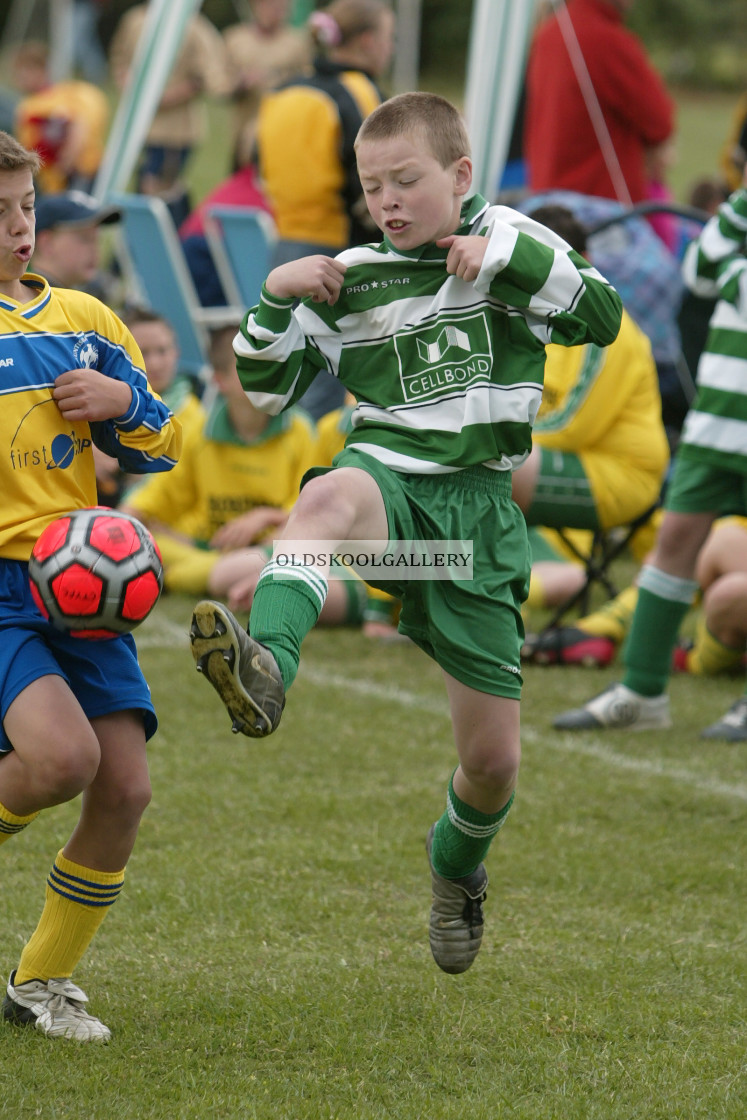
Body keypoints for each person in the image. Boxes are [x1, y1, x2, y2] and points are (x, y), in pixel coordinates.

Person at [188, 91, 623, 974]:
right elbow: (264, 393)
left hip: (474, 529)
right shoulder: (348, 276)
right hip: (388, 487)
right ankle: (266, 666)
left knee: (493, 764)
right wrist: (272, 299)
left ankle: (455, 870)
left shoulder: (508, 244)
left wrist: (500, 261)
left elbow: (601, 316)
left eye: (406, 180)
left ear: (461, 177)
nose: (385, 200)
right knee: (327, 500)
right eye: (371, 184)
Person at [0, 131, 181, 1042]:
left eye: (26, 207)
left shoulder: (83, 318)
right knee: (60, 763)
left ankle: (42, 983)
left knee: (125, 790)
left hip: (83, 581)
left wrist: (124, 407)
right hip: (0, 587)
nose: (19, 228)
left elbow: (165, 442)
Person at [553, 169, 747, 741]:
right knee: (675, 542)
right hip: (717, 418)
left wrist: (732, 272)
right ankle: (642, 692)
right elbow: (699, 267)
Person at [255, 0, 396, 418]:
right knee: (328, 373)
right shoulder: (359, 90)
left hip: (285, 242)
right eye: (390, 38)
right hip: (336, 249)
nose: (389, 48)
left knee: (292, 364)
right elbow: (374, 169)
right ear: (369, 42)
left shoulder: (283, 90)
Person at [524, 0, 675, 209]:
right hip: (598, 210)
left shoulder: (547, 35)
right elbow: (660, 122)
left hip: (545, 202)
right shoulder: (607, 39)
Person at [109, 5, 231, 226]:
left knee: (159, 192)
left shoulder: (193, 26)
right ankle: (143, 245)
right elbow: (120, 56)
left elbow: (211, 76)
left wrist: (171, 95)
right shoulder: (135, 19)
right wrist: (128, 82)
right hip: (139, 126)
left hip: (176, 130)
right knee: (144, 191)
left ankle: (171, 242)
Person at [11, 40, 110, 196]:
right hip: (50, 179)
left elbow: (77, 128)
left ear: (42, 71)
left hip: (76, 172)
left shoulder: (60, 98)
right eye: (19, 74)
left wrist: (66, 163)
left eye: (26, 72)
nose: (21, 79)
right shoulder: (27, 106)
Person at [223, 0, 311, 170]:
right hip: (241, 133)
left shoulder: (297, 44)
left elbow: (306, 84)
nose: (276, 11)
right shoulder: (235, 39)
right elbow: (222, 86)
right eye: (271, 5)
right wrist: (241, 83)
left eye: (282, 7)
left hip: (282, 132)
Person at [31, 190, 121, 301]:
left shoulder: (63, 299)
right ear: (46, 243)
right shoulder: (36, 304)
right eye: (85, 238)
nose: (95, 248)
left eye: (97, 239)